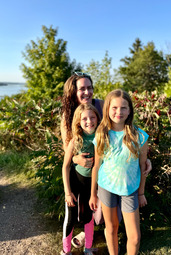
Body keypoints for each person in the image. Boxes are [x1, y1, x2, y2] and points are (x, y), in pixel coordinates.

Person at [60, 73, 152, 249]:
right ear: (73, 92)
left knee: (108, 219)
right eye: (81, 88)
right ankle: (69, 247)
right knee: (81, 214)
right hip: (83, 175)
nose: (87, 92)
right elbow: (68, 150)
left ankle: (88, 238)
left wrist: (145, 161)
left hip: (117, 178)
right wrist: (75, 158)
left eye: (89, 87)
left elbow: (127, 138)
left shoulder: (101, 105)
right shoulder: (68, 115)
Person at [89, 89, 149, 255]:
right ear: (107, 109)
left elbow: (143, 167)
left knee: (135, 237)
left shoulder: (140, 137)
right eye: (114, 107)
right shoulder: (102, 134)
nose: (119, 112)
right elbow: (96, 166)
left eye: (123, 108)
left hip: (129, 191)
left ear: (129, 110)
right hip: (106, 187)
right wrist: (93, 194)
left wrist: (141, 193)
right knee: (111, 227)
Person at [61, 103, 101, 255]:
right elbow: (65, 166)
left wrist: (93, 194)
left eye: (92, 117)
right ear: (78, 121)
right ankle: (66, 251)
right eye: (84, 118)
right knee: (70, 217)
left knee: (88, 216)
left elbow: (97, 166)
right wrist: (67, 192)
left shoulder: (100, 138)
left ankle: (88, 248)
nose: (89, 121)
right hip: (74, 182)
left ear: (97, 118)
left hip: (90, 184)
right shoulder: (75, 141)